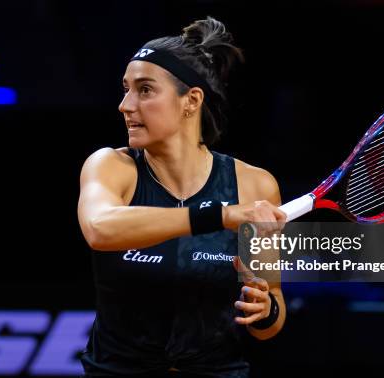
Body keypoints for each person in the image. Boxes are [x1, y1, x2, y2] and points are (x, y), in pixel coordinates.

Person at [78, 16, 286, 377]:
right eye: (125, 89)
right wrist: (218, 215)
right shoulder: (111, 166)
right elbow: (99, 228)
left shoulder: (255, 186)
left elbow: (270, 319)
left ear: (191, 100)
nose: (125, 105)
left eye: (144, 90)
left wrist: (265, 308)